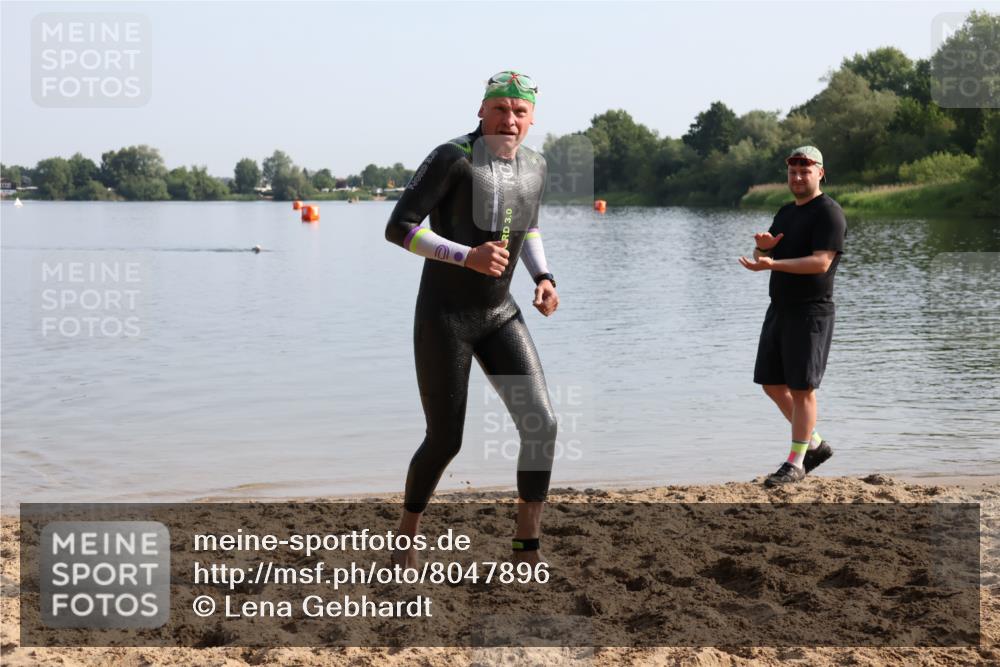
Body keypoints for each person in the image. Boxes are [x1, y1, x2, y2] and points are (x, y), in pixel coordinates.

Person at [384, 71, 559, 564]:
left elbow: (530, 227)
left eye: (519, 111)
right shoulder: (452, 158)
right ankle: (405, 540)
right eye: (500, 109)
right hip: (446, 317)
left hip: (500, 313)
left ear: (531, 119)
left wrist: (545, 278)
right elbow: (398, 228)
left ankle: (526, 547)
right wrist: (467, 256)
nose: (509, 119)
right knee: (445, 440)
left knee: (541, 425)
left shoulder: (536, 166)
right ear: (481, 111)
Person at [739, 146, 846, 487]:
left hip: (811, 311)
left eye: (805, 171)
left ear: (820, 173)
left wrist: (774, 263)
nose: (798, 177)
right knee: (771, 384)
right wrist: (764, 249)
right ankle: (813, 445)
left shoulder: (829, 213)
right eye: (793, 172)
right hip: (780, 308)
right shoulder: (786, 212)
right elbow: (765, 254)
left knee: (803, 389)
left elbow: (821, 262)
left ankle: (796, 462)